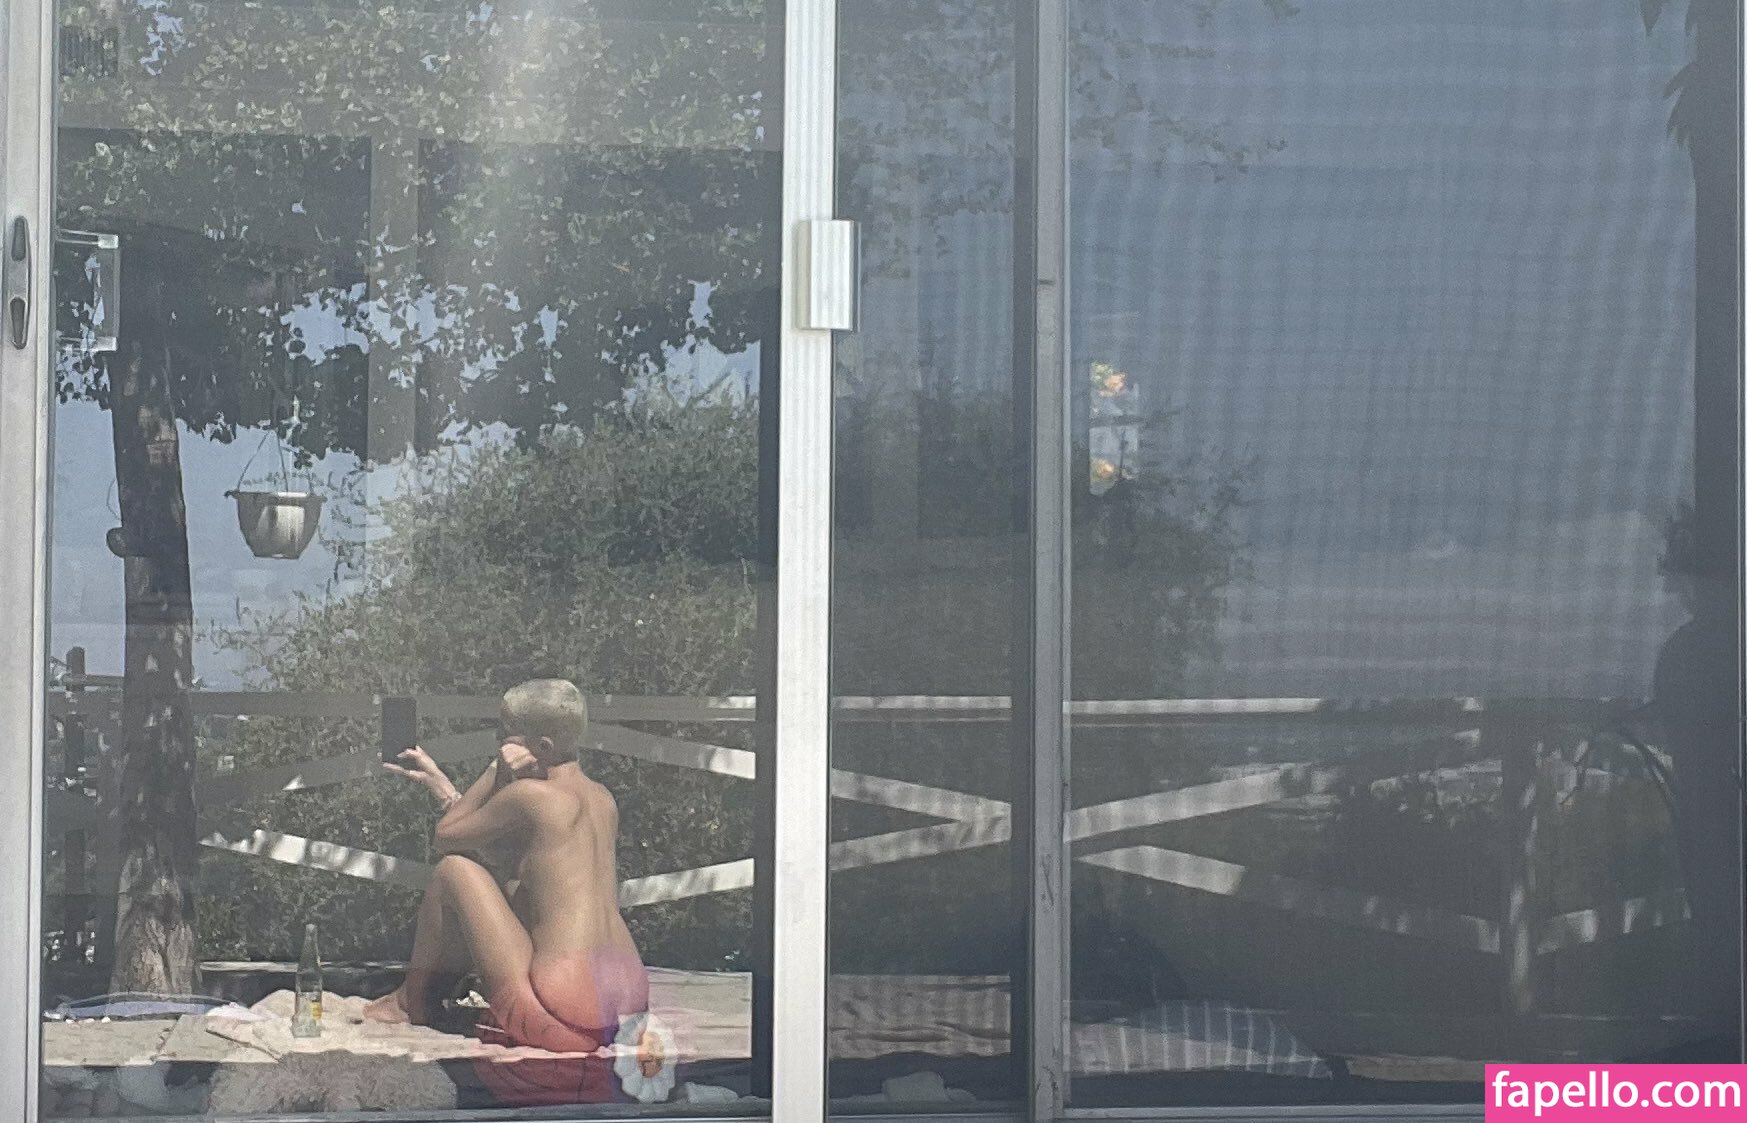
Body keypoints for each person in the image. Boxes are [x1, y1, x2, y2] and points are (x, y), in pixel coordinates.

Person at [365, 679, 651, 1102]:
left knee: (453, 871)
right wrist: (441, 784)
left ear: (543, 746)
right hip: (626, 1014)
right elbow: (507, 862)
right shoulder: (602, 799)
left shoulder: (529, 795)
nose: (499, 744)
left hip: (561, 1024)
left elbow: (447, 837)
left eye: (505, 735)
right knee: (499, 885)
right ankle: (424, 997)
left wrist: (494, 772)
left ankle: (411, 1003)